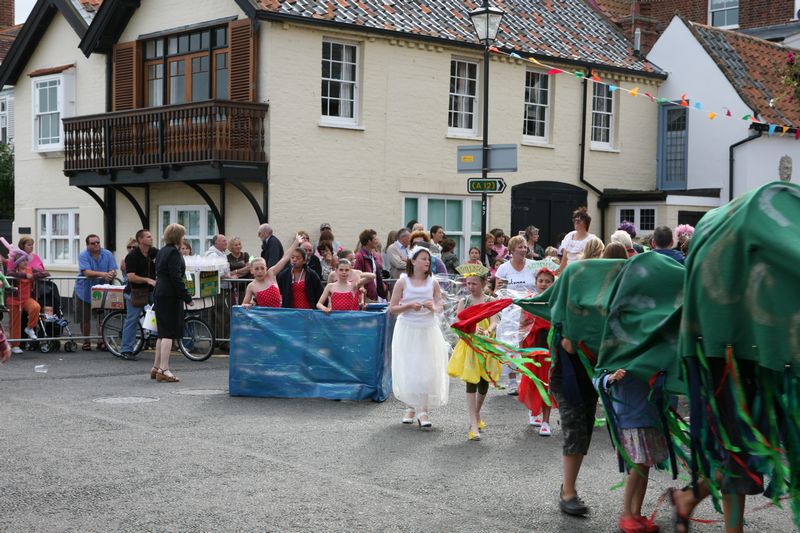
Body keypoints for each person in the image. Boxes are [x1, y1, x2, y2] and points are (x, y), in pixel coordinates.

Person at [595, 368, 669, 533]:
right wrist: (610, 377)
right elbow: (597, 376)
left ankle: (636, 514)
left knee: (644, 466)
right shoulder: (616, 347)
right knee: (637, 465)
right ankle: (627, 513)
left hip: (650, 415)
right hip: (629, 418)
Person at [390, 246, 449, 429]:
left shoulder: (433, 283)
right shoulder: (402, 282)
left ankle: (423, 410)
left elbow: (440, 305)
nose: (427, 262)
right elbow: (392, 308)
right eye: (423, 258)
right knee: (410, 367)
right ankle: (410, 407)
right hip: (407, 328)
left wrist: (434, 307)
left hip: (427, 329)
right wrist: (409, 306)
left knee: (426, 369)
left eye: (428, 259)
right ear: (413, 261)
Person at [447, 265, 498, 440]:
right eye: (468, 283)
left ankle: (476, 413)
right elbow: (458, 324)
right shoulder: (465, 302)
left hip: (486, 344)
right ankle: (473, 425)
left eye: (474, 283)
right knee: (471, 380)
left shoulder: (490, 300)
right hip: (470, 344)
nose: (471, 287)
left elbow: (493, 321)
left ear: (484, 283)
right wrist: (469, 331)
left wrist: (488, 330)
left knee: (484, 380)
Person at [494, 235, 538, 394]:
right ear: (511, 250)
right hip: (509, 311)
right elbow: (497, 291)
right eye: (520, 247)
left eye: (525, 247)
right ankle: (513, 381)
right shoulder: (503, 268)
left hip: (530, 310)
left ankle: (528, 379)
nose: (524, 249)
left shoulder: (534, 266)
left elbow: (542, 286)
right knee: (510, 345)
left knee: (528, 344)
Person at [151, 224, 194, 383]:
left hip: (159, 292)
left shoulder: (162, 251)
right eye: (182, 235)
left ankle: (156, 367)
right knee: (168, 332)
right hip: (170, 294)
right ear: (177, 237)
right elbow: (176, 278)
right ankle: (164, 369)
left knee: (162, 332)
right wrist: (187, 297)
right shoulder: (175, 253)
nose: (184, 238)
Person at [518, 268, 556, 436]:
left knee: (549, 382)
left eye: (548, 281)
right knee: (533, 380)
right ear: (536, 283)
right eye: (541, 281)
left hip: (551, 346)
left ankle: (546, 421)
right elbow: (522, 325)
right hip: (534, 346)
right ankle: (534, 411)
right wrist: (521, 347)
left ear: (553, 284)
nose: (544, 284)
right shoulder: (529, 302)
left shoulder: (556, 302)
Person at [74, 234, 118, 351]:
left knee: (102, 317)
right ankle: (86, 341)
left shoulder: (107, 254)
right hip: (84, 290)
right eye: (93, 243)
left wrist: (112, 273)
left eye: (98, 242)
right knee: (85, 318)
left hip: (102, 289)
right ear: (88, 245)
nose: (96, 245)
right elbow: (87, 273)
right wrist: (104, 274)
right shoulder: (83, 255)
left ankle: (101, 341)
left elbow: (113, 269)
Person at [119, 229, 157, 361]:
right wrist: (147, 279)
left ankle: (156, 338)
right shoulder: (133, 256)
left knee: (161, 311)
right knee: (133, 319)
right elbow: (131, 277)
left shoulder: (153, 252)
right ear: (141, 240)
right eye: (148, 237)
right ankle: (126, 350)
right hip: (135, 292)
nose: (151, 238)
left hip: (150, 291)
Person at [242, 235, 302, 309]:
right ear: (251, 271)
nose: (260, 271)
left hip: (277, 315)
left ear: (266, 268)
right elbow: (244, 304)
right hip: (263, 318)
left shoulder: (271, 273)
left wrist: (296, 243)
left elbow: (285, 258)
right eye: (256, 269)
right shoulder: (251, 286)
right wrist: (249, 304)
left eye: (262, 268)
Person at [6, 251, 42, 355]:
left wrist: (36, 276)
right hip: (14, 299)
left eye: (27, 260)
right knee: (15, 323)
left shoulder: (30, 269)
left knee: (36, 307)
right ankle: (15, 345)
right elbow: (9, 274)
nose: (26, 262)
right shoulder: (13, 271)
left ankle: (29, 328)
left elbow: (43, 273)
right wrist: (25, 275)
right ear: (18, 262)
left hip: (26, 299)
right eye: (23, 260)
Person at [277, 245, 324, 309]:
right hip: (290, 313)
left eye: (298, 258)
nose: (294, 260)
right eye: (292, 257)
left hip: (309, 313)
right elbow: (277, 293)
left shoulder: (312, 275)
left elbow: (320, 294)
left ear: (304, 261)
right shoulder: (284, 275)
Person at [558, 207, 596, 273]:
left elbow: (592, 261)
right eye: (575, 220)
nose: (576, 222)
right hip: (568, 271)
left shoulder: (591, 239)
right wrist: (561, 275)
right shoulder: (569, 236)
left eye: (579, 221)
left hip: (582, 272)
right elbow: (564, 259)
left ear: (586, 223)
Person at [353, 229, 386, 302]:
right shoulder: (359, 256)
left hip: (374, 295)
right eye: (375, 239)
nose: (377, 241)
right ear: (369, 241)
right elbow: (356, 276)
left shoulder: (373, 256)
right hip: (365, 297)